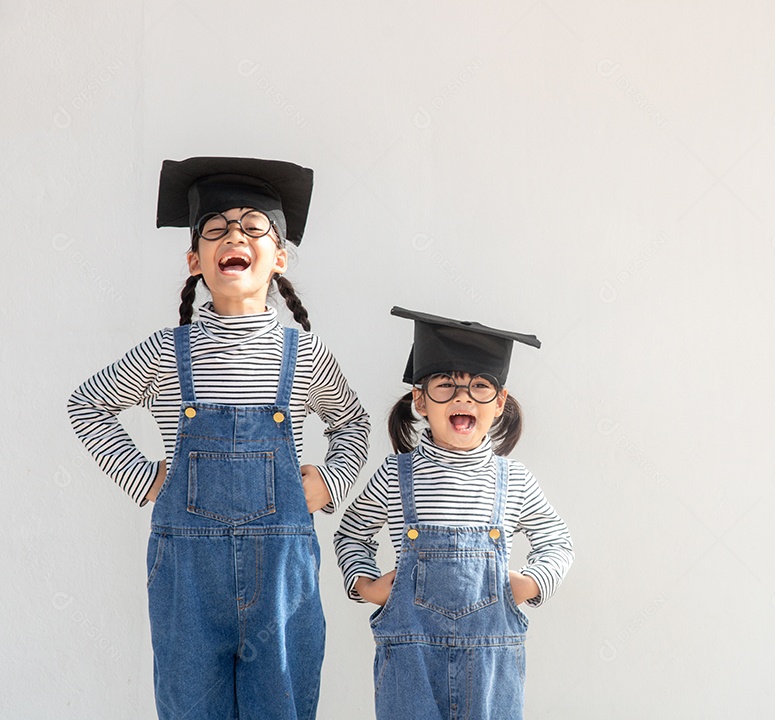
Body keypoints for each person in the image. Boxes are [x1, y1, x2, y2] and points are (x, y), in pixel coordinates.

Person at [67, 156, 371, 720]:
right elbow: (87, 405)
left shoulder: (304, 354)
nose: (234, 236)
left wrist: (330, 481)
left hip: (282, 579)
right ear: (194, 261)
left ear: (279, 257)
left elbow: (352, 423)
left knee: (282, 705)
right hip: (188, 579)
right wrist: (144, 477)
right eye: (216, 229)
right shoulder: (166, 351)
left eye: (253, 226)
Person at [334, 306, 574, 719]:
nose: (463, 397)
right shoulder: (394, 474)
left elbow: (557, 541)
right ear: (420, 400)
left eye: (480, 386)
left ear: (499, 403)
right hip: (410, 665)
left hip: (491, 668)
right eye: (445, 385)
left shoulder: (514, 480)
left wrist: (531, 583)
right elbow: (351, 533)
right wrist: (365, 585)